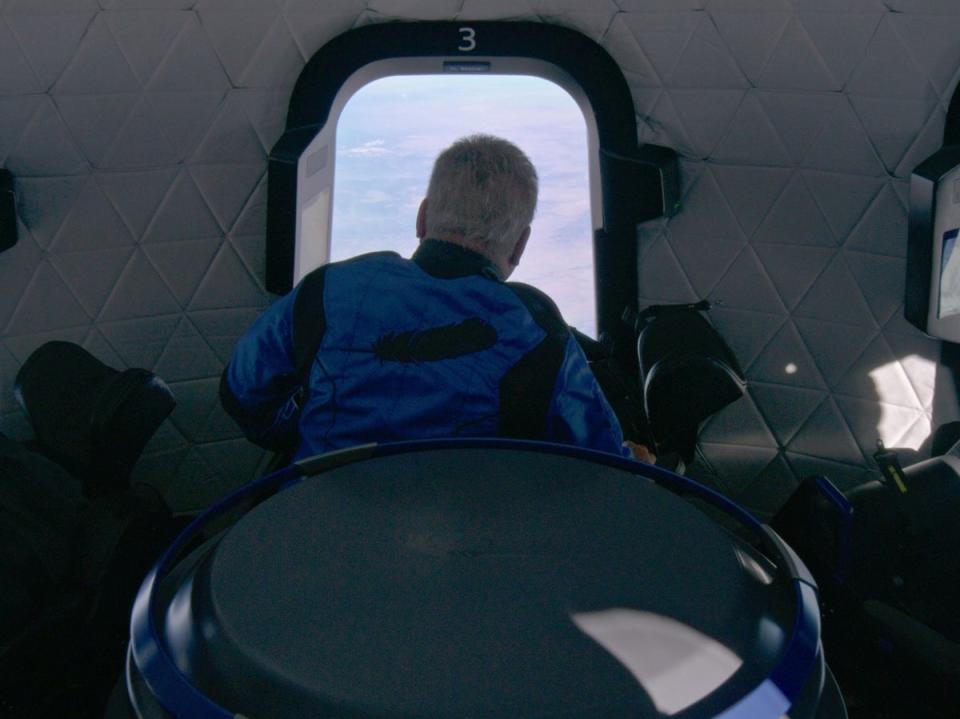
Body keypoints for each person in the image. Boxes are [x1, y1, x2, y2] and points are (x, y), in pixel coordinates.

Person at [220, 134, 653, 463]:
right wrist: (637, 457)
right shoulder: (535, 328)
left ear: (423, 216)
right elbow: (601, 457)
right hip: (475, 550)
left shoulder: (325, 290)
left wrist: (312, 431)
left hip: (315, 532)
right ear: (519, 246)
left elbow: (242, 396)